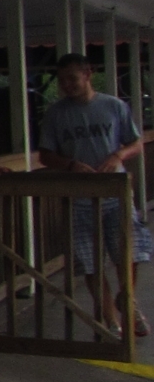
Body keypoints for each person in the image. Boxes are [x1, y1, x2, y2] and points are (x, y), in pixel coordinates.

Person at [37, 52, 151, 337]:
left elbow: (136, 142)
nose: (67, 85)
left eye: (72, 78)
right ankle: (108, 317)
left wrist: (118, 154)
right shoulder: (56, 113)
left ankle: (127, 297)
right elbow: (45, 155)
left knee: (130, 249)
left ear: (87, 74)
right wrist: (71, 164)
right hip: (79, 196)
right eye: (62, 80)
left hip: (115, 191)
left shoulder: (113, 106)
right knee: (90, 260)